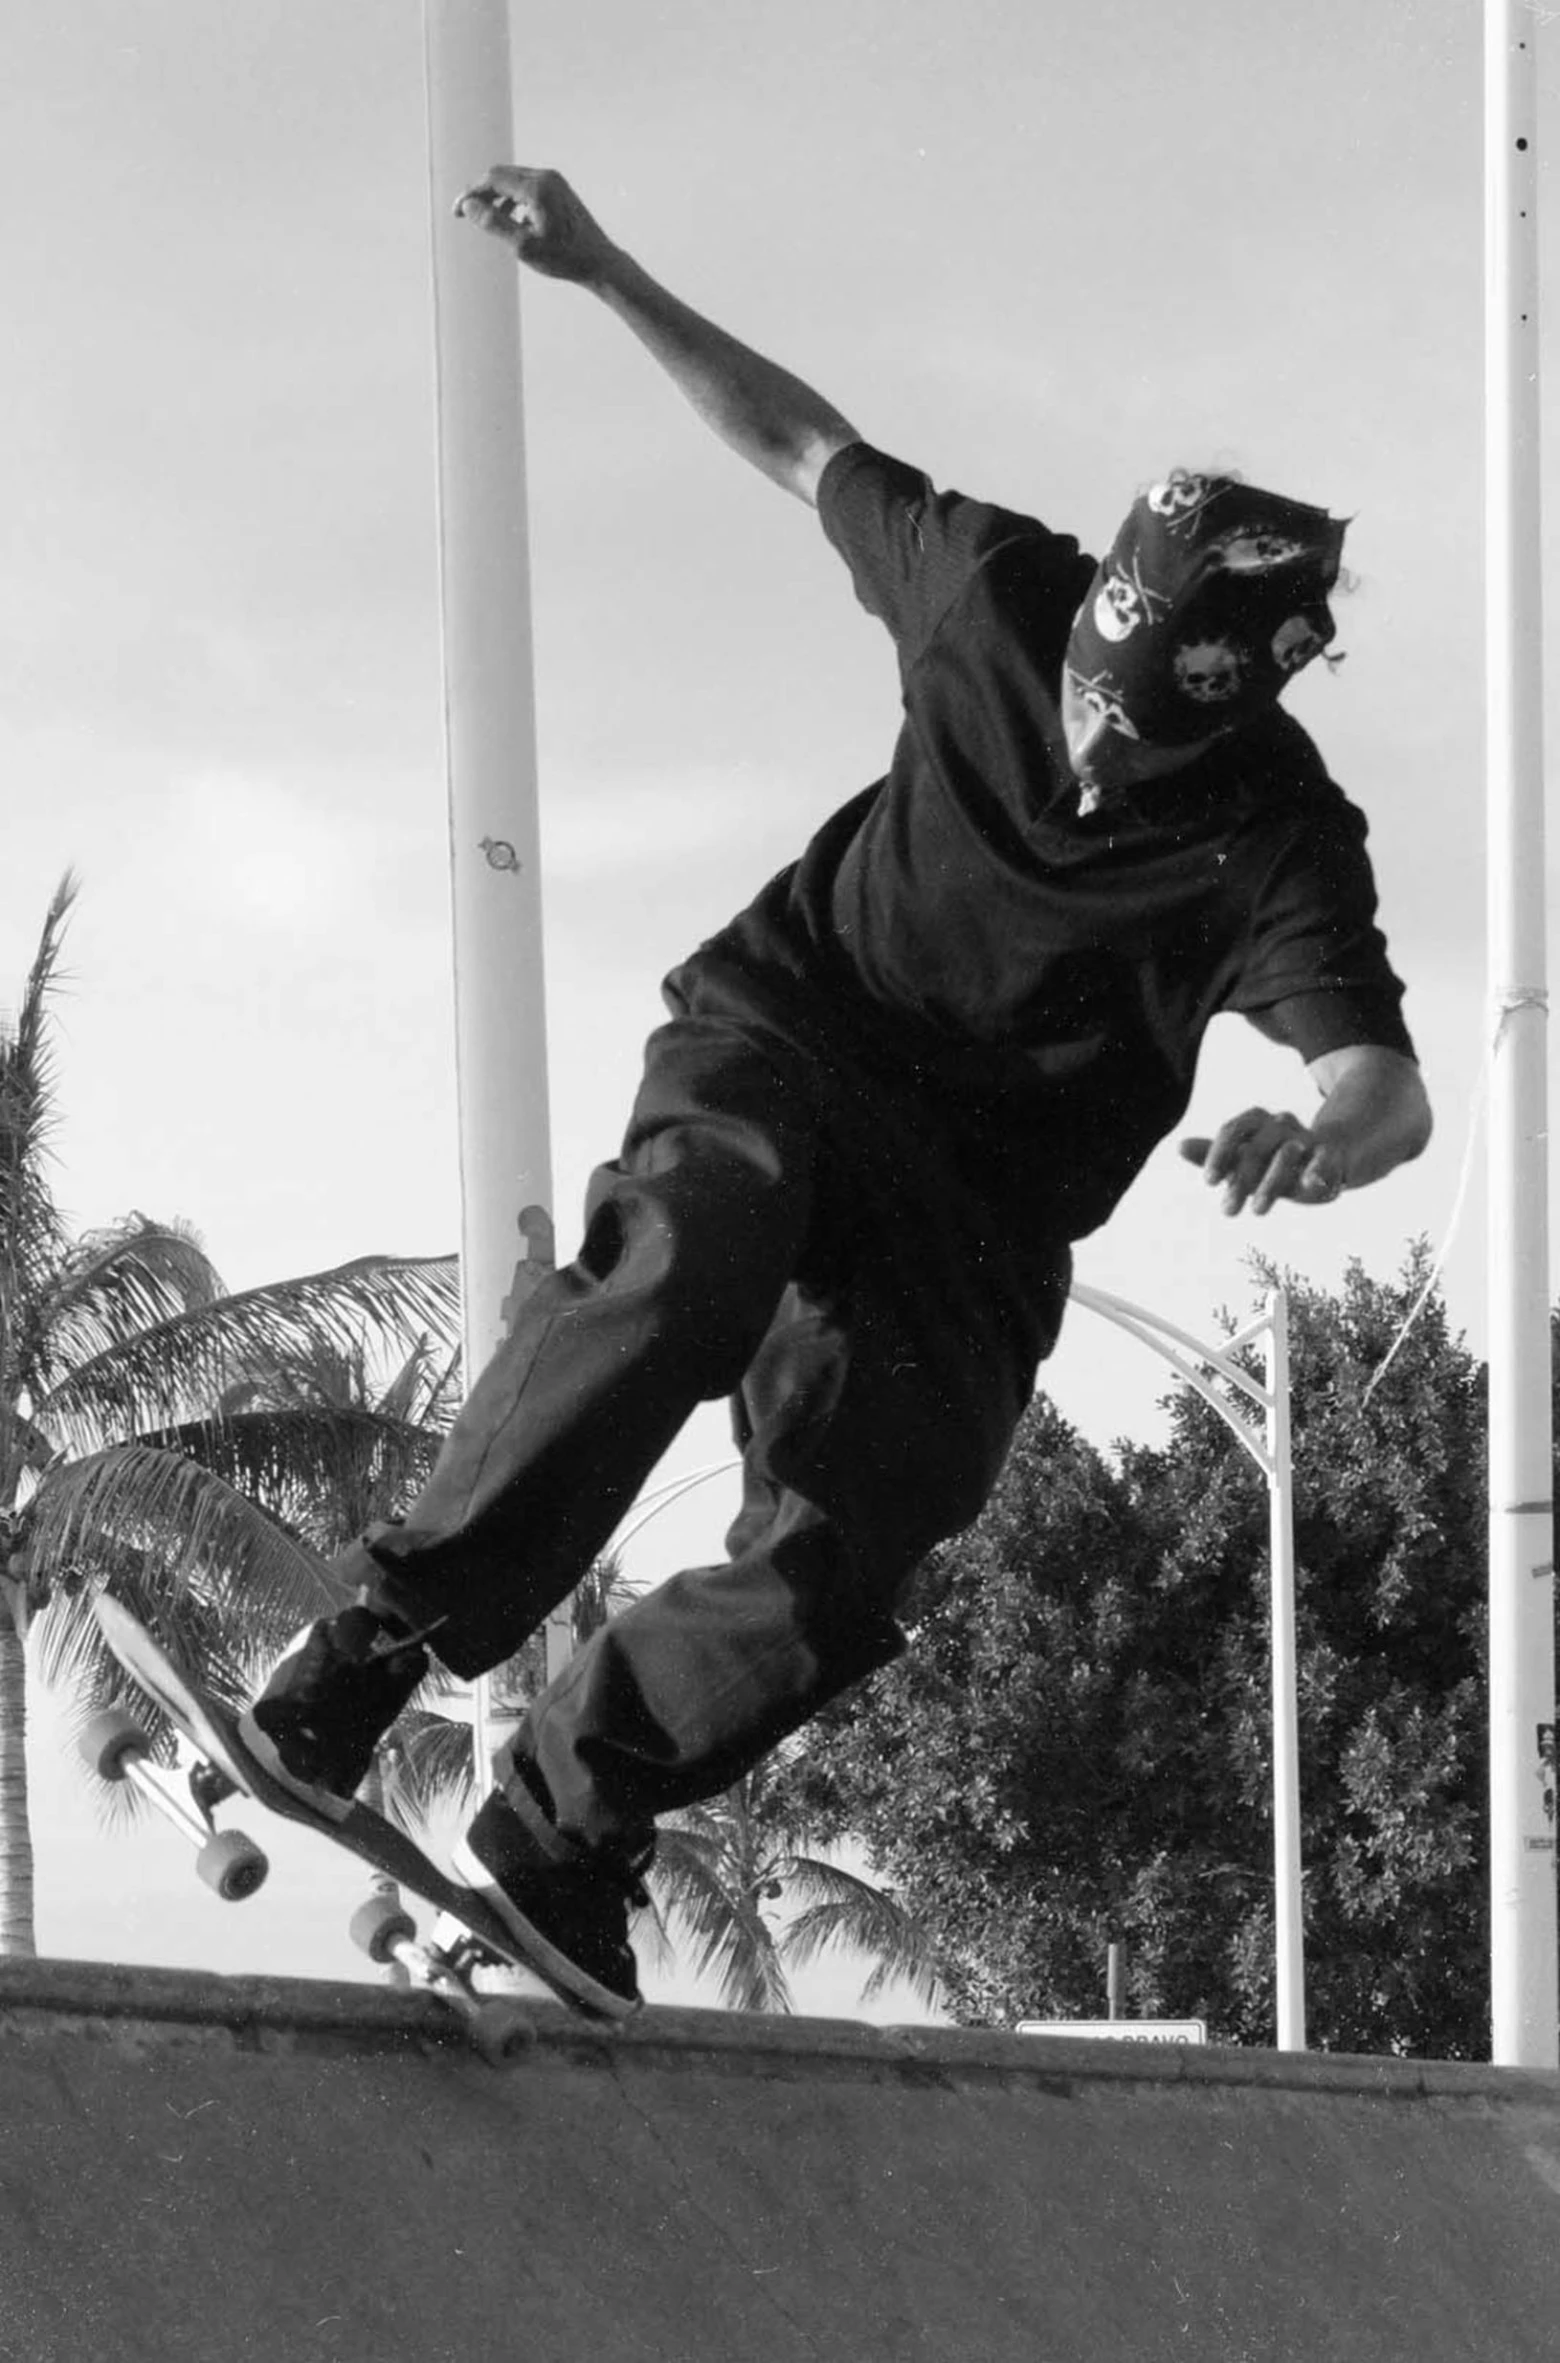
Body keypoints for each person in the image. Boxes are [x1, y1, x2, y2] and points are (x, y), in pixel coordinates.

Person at [240, 168, 1432, 2017]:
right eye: (1084, 707)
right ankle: (374, 1637)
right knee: (685, 1262)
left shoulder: (1281, 835)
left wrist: (1323, 1134)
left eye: (1143, 741)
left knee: (840, 1560)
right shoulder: (992, 585)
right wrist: (607, 266)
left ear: (1244, 711)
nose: (1095, 757)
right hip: (791, 1035)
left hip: (975, 1213)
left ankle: (564, 1825)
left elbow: (1381, 1083)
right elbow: (801, 440)